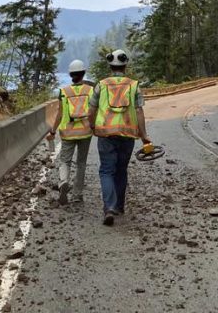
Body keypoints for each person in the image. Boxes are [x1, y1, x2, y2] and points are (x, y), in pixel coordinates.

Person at [87, 49, 151, 226]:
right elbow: (139, 111)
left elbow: (91, 109)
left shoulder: (101, 85)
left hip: (106, 134)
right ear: (125, 65)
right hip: (127, 135)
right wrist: (144, 135)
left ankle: (109, 208)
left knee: (107, 170)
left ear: (110, 66)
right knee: (121, 170)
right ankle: (120, 206)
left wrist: (92, 126)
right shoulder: (134, 86)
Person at [46, 60, 94, 205]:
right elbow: (93, 111)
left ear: (71, 75)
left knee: (65, 160)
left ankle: (63, 182)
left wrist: (53, 131)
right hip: (85, 131)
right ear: (83, 73)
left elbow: (60, 114)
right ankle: (77, 194)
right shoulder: (90, 91)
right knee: (81, 163)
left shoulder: (64, 92)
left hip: (68, 132)